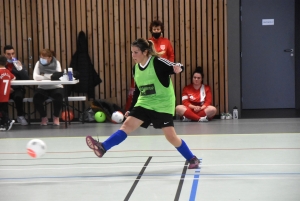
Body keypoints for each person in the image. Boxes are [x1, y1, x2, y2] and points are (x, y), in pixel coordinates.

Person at [86, 38, 200, 169]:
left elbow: (176, 66)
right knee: (126, 126)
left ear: (145, 52)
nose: (133, 55)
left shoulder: (157, 62)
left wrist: (179, 68)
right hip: (145, 102)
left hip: (163, 105)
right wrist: (132, 108)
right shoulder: (136, 69)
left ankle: (192, 158)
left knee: (171, 137)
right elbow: (138, 91)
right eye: (132, 52)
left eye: (136, 52)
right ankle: (103, 147)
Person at [33, 49, 64, 126]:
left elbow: (57, 76)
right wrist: (50, 76)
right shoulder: (38, 63)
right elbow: (35, 77)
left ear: (50, 58)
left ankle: (56, 116)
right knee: (36, 98)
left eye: (44, 58)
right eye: (41, 57)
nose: (42, 59)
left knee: (59, 97)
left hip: (55, 87)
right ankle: (43, 117)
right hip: (43, 88)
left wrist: (43, 76)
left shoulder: (56, 63)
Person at [3, 45, 29, 125]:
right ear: (4, 54)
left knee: (18, 96)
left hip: (17, 89)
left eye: (13, 54)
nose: (11, 56)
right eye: (8, 54)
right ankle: (5, 118)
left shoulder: (19, 64)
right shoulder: (1, 65)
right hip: (3, 89)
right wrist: (8, 88)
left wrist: (20, 69)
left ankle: (20, 116)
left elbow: (26, 79)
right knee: (2, 98)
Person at [0, 55, 15, 131]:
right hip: (6, 95)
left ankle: (8, 120)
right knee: (3, 110)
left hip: (0, 95)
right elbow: (14, 77)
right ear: (6, 63)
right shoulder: (7, 71)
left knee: (2, 111)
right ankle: (3, 124)